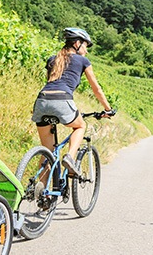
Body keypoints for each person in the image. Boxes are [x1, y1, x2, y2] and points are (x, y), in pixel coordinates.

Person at [31, 27, 113, 181]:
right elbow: (96, 89)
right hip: (62, 100)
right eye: (85, 46)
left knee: (47, 152)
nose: (87, 51)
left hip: (42, 100)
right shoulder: (83, 61)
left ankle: (43, 197)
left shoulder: (52, 59)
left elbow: (51, 83)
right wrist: (108, 109)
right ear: (77, 43)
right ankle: (70, 157)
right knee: (80, 126)